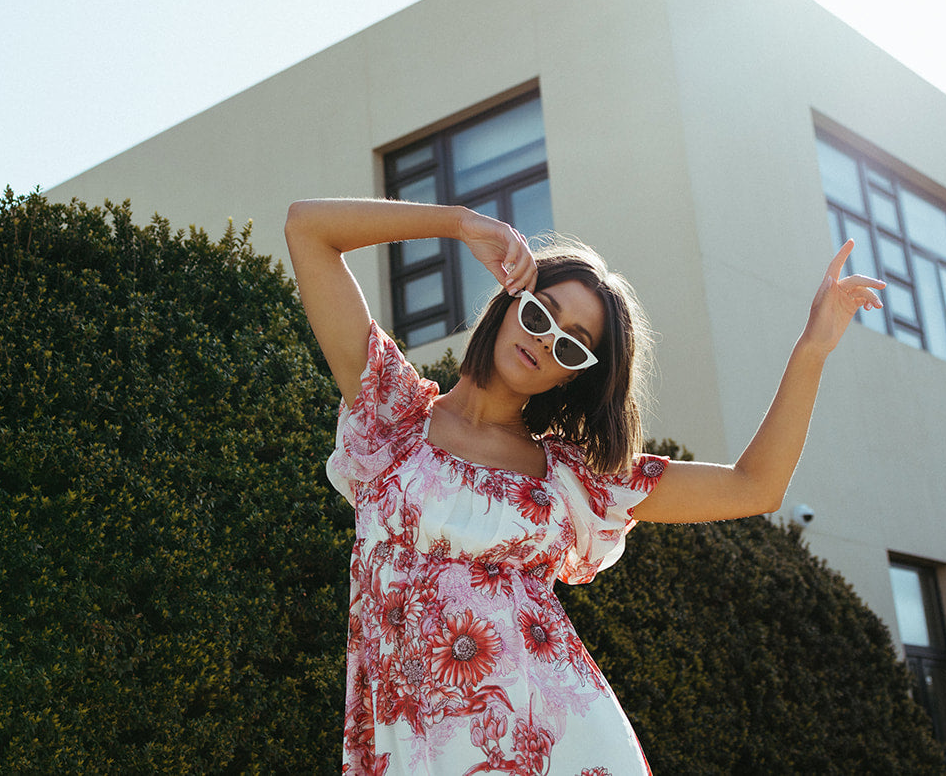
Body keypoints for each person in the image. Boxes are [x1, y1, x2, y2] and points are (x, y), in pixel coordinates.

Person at [285, 198, 884, 776]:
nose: (546, 340)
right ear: (511, 300)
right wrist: (460, 224)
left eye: (571, 344)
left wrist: (813, 349)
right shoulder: (393, 417)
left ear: (575, 373)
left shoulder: (577, 481)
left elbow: (755, 486)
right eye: (541, 314)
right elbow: (308, 228)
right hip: (415, 743)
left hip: (562, 744)